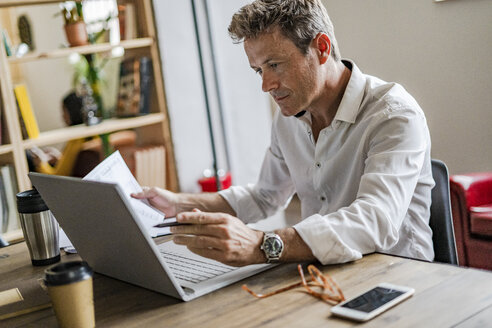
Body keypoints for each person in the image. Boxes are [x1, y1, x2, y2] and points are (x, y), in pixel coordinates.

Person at [133, 0, 435, 266]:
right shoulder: (288, 117)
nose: (266, 85)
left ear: (321, 48)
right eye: (258, 70)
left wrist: (263, 245)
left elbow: (375, 221)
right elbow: (266, 196)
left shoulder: (393, 115)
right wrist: (178, 205)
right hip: (325, 272)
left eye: (274, 65)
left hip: (400, 279)